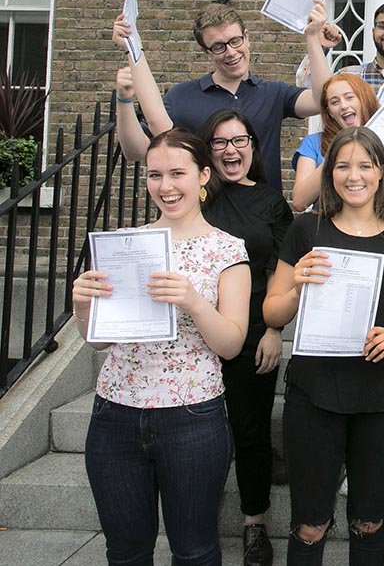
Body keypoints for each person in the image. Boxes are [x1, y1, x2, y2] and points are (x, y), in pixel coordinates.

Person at [71, 128, 250, 566]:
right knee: (125, 552)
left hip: (192, 416)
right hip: (115, 412)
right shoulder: (125, 244)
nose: (165, 186)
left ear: (203, 175)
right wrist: (82, 305)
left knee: (194, 550)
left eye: (177, 173)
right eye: (155, 175)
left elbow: (231, 344)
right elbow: (98, 340)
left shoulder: (226, 250)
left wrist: (193, 301)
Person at [263, 126, 384, 566]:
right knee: (310, 524)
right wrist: (296, 287)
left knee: (369, 521)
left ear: (381, 171)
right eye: (342, 166)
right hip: (314, 393)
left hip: (380, 394)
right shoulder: (306, 229)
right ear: (329, 173)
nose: (354, 176)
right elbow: (272, 313)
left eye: (365, 166)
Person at [197, 109, 294, 566]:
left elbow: (281, 271)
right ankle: (196, 521)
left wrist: (275, 331)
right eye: (219, 142)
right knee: (200, 435)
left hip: (254, 333)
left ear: (253, 147)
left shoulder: (271, 202)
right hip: (196, 335)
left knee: (251, 432)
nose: (230, 150)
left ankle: (254, 523)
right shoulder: (194, 198)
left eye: (239, 141)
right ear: (207, 152)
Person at [113, 0, 335, 191]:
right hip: (205, 216)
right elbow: (136, 151)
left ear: (246, 37)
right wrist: (124, 100)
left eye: (235, 41)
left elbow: (322, 101)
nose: (231, 52)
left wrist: (313, 39)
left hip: (265, 216)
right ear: (206, 52)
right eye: (219, 47)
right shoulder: (181, 97)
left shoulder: (273, 93)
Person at [290, 72, 384, 211]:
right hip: (325, 221)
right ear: (330, 112)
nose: (343, 106)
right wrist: (336, 152)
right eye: (335, 102)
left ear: (364, 100)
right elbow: (299, 202)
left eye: (349, 97)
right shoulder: (314, 143)